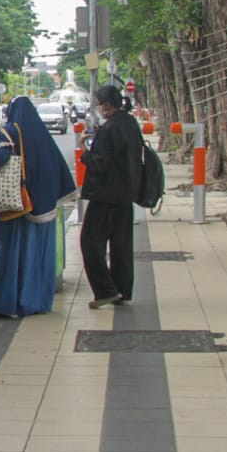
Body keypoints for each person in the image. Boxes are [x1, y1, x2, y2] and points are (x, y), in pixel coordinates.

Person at [0, 96, 78, 317]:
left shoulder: (11, 131)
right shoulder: (42, 136)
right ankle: (34, 300)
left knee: (10, 254)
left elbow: (0, 157)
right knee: (35, 256)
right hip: (41, 205)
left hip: (17, 207)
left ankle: (9, 303)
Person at [80, 83, 144, 307]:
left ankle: (105, 289)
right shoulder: (130, 123)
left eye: (98, 103)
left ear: (106, 105)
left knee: (90, 242)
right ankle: (122, 289)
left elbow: (100, 163)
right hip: (126, 194)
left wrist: (85, 155)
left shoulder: (109, 129)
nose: (98, 107)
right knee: (121, 244)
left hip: (105, 195)